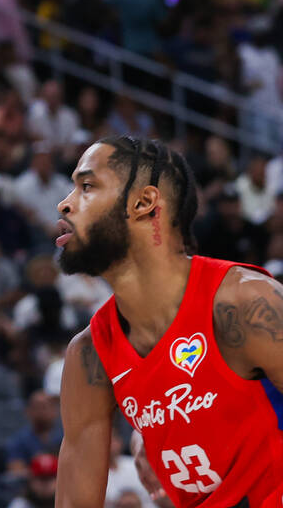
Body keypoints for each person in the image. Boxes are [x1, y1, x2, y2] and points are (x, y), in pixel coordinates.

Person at [55, 136, 283, 507]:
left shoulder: (245, 303)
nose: (65, 203)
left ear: (144, 203)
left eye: (86, 186)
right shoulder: (89, 357)